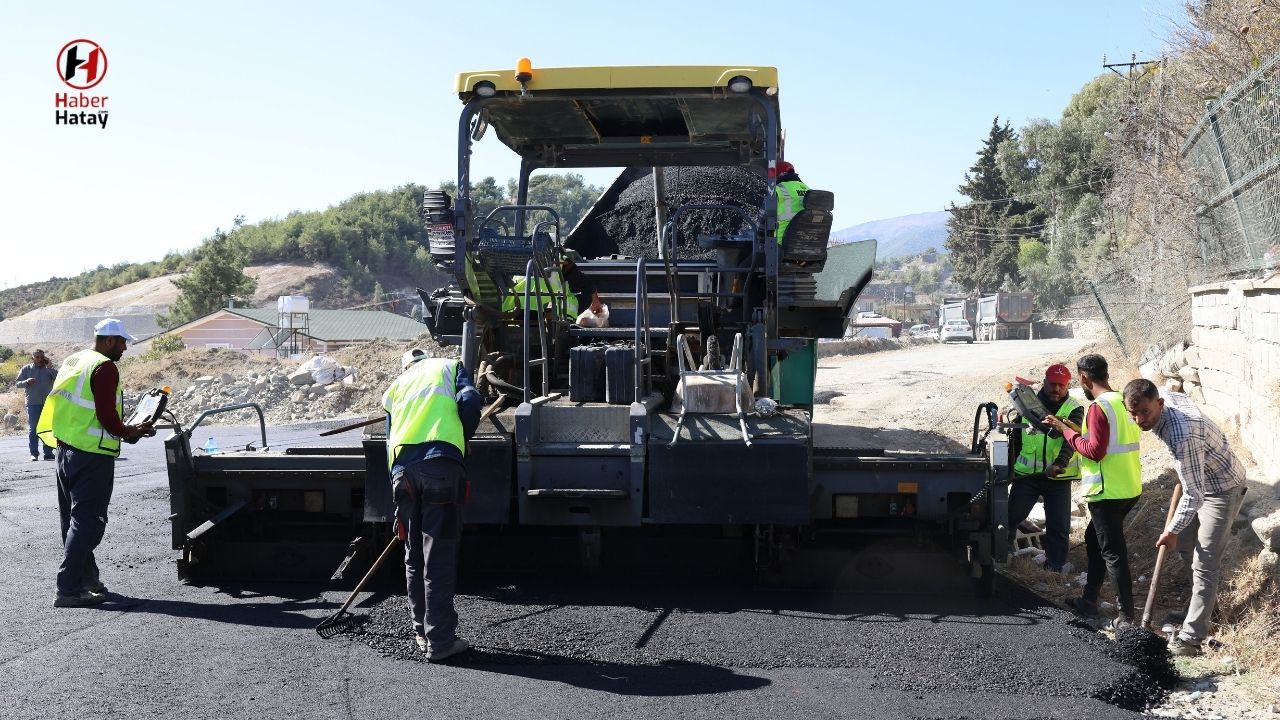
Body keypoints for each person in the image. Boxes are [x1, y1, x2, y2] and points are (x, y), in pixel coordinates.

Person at [1123, 379, 1248, 656]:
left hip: (1221, 488)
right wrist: (1177, 534)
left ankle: (1191, 638)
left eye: (1145, 412)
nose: (1139, 419)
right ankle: (1203, 609)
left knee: (1205, 561)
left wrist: (1171, 529)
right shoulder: (1160, 398)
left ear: (1159, 404)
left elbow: (1195, 494)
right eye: (1133, 412)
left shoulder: (1182, 436)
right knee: (1185, 548)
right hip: (1198, 479)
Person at [36, 319, 154, 608]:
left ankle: (87, 580)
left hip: (65, 449)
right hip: (91, 455)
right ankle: (67, 588)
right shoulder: (104, 367)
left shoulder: (75, 360)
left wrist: (126, 429)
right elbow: (104, 414)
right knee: (89, 523)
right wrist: (129, 431)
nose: (126, 347)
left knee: (74, 522)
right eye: (123, 342)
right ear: (109, 340)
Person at [382, 347, 481, 661]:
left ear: (407, 366)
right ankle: (440, 641)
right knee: (437, 552)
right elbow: (470, 400)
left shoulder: (395, 388)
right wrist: (463, 437)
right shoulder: (450, 366)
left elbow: (389, 438)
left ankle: (422, 634)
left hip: (402, 471)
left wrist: (398, 482)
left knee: (414, 553)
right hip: (440, 463)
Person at [1043, 353, 1142, 627]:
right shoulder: (1123, 400)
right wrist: (1072, 428)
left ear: (1084, 378)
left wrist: (1065, 431)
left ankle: (1126, 618)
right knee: (1093, 540)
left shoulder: (1099, 407)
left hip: (1107, 492)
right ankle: (1088, 601)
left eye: (1079, 379)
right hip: (1128, 487)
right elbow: (1108, 442)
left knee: (1112, 552)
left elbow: (1094, 451)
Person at [1006, 363, 1084, 572]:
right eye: (1052, 384)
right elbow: (1016, 438)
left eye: (1061, 385)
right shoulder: (1027, 403)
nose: (1056, 389)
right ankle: (1003, 555)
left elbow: (1071, 441)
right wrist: (1009, 468)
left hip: (1058, 478)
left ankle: (1056, 566)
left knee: (1058, 526)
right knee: (1011, 516)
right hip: (1028, 477)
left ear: (1067, 385)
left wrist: (1059, 463)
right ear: (1045, 382)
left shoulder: (1074, 408)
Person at [15, 348, 57, 461]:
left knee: (48, 427)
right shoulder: (26, 369)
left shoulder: (49, 370)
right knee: (33, 429)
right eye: (37, 357)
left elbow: (58, 379)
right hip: (32, 403)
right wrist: (26, 382)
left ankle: (48, 453)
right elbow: (17, 383)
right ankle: (34, 453)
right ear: (32, 358)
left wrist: (51, 367)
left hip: (48, 403)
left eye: (41, 357)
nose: (39, 359)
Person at [774, 160, 809, 245]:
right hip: (806, 241)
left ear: (778, 174)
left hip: (780, 242)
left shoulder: (777, 190)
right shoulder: (808, 189)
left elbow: (763, 218)